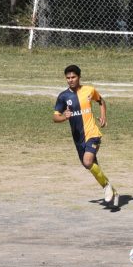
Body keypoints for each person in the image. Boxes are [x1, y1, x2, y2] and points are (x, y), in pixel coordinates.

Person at [53, 64, 118, 206]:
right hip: (78, 137)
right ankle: (112, 190)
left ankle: (106, 187)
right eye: (68, 78)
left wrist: (103, 116)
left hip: (93, 133)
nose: (71, 80)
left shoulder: (89, 90)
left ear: (79, 77)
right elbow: (55, 117)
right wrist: (64, 117)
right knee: (90, 165)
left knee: (88, 161)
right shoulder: (63, 97)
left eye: (73, 77)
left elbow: (101, 101)